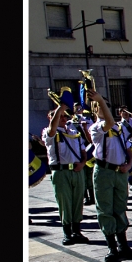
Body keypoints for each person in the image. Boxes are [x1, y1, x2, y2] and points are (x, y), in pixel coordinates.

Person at [87, 91, 132, 262]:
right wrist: (100, 101)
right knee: (105, 209)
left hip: (119, 171)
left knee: (120, 207)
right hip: (104, 171)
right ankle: (112, 247)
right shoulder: (96, 127)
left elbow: (128, 148)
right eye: (102, 106)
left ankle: (123, 245)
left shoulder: (118, 129)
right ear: (96, 110)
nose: (105, 108)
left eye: (107, 105)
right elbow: (109, 121)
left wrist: (129, 163)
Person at [42, 103, 89, 246]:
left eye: (64, 116)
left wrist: (82, 163)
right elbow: (51, 130)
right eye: (59, 116)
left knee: (77, 201)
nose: (62, 118)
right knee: (65, 202)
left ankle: (77, 230)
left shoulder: (73, 132)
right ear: (51, 117)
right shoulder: (50, 132)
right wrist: (60, 108)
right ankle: (67, 232)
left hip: (76, 170)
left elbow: (83, 151)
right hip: (61, 171)